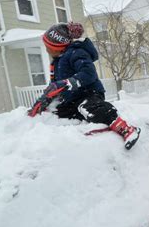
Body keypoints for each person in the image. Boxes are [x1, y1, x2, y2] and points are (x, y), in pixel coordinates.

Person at [36, 21, 140, 150]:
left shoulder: (77, 53)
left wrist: (70, 82)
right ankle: (85, 125)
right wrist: (46, 99)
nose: (46, 50)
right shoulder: (58, 61)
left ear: (58, 46)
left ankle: (125, 128)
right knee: (60, 112)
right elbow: (56, 84)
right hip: (73, 98)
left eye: (48, 47)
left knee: (88, 107)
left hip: (90, 92)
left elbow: (89, 73)